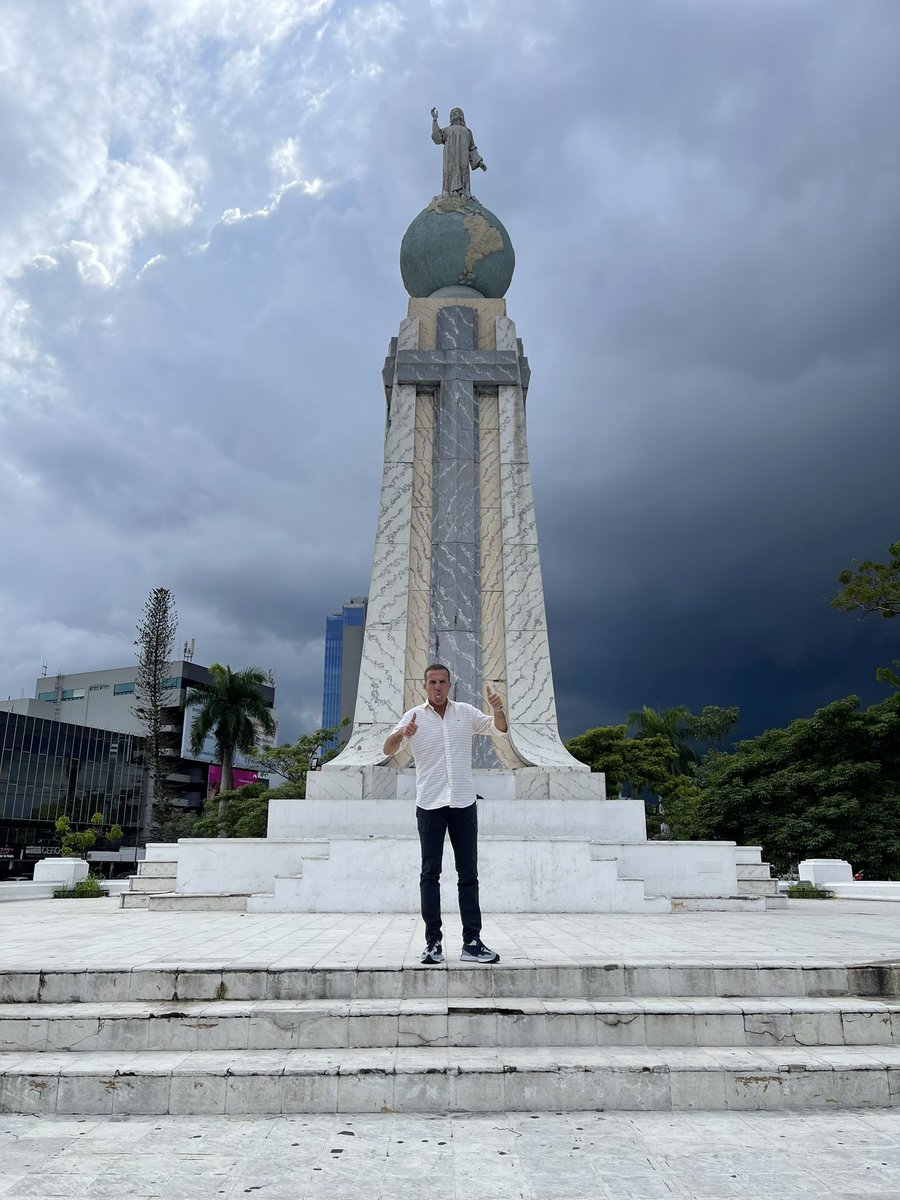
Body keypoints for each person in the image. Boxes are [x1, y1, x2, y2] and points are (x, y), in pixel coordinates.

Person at [382, 663, 507, 965]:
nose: (437, 687)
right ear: (424, 686)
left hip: (463, 803)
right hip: (430, 805)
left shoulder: (465, 712)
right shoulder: (413, 717)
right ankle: (433, 942)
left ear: (450, 685)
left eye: (442, 682)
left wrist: (498, 709)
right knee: (430, 874)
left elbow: (498, 728)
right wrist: (402, 734)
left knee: (469, 875)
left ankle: (472, 942)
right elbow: (387, 749)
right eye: (432, 682)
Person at [430, 106, 487, 199]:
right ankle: (447, 192)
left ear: (461, 116)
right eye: (452, 114)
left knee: (463, 171)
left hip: (463, 157)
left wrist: (479, 162)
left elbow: (472, 148)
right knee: (449, 171)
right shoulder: (447, 130)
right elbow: (437, 137)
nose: (453, 114)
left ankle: (464, 192)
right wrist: (435, 120)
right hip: (450, 156)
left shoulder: (467, 132)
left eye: (456, 112)